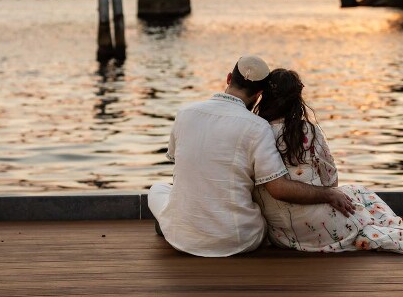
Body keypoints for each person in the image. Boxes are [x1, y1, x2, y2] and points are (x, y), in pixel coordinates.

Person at [148, 56, 355, 257]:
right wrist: (328, 194)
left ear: (229, 78)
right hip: (239, 240)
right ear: (259, 94)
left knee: (158, 189)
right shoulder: (257, 127)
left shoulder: (185, 113)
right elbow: (279, 188)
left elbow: (181, 166)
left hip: (181, 237)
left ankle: (170, 220)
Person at [253, 68, 403, 258]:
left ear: (265, 97)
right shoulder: (308, 131)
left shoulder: (255, 132)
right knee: (357, 195)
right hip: (320, 229)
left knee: (355, 193)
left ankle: (382, 224)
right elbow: (331, 180)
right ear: (296, 100)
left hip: (281, 235)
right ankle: (395, 227)